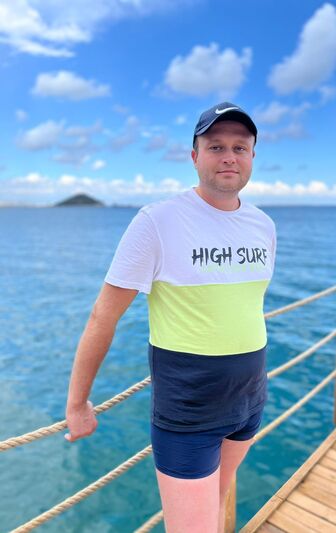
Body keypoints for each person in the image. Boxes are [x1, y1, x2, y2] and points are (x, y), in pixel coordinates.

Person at [65, 101, 277, 533]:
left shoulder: (264, 225)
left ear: (253, 156)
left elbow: (242, 308)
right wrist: (77, 402)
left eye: (239, 147)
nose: (229, 156)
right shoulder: (157, 222)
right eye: (216, 146)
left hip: (249, 400)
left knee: (218, 505)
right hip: (188, 412)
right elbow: (103, 315)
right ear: (194, 156)